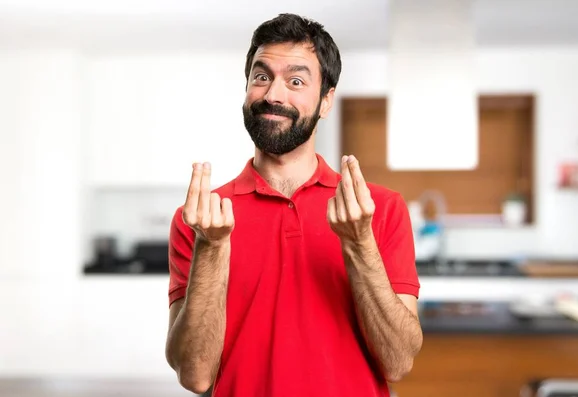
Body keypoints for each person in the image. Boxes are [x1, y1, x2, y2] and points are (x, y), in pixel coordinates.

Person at [165, 13, 422, 397]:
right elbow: (195, 375)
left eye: (296, 81)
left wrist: (358, 242)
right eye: (261, 76)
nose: (272, 94)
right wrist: (212, 248)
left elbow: (399, 362)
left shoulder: (377, 209)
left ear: (325, 101)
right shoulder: (202, 219)